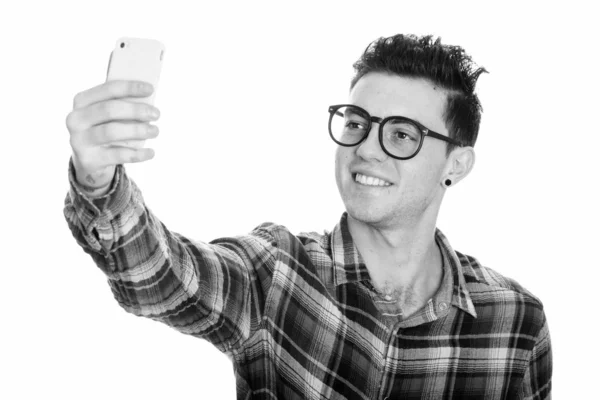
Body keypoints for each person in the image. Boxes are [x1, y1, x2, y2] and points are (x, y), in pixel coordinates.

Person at [64, 34, 552, 399]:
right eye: (357, 124)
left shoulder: (514, 321)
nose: (365, 149)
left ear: (457, 165)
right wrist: (99, 181)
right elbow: (164, 276)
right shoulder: (276, 272)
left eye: (402, 135)